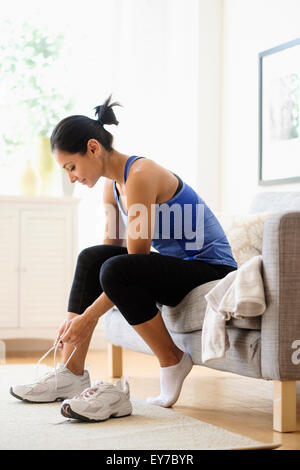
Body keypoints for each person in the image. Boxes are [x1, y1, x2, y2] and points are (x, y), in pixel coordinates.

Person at [10, 95, 237, 416]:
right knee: (92, 258)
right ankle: (70, 373)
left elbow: (133, 262)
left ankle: (173, 359)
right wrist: (76, 320)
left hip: (212, 268)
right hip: (177, 267)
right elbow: (107, 256)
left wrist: (88, 318)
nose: (71, 177)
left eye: (71, 167)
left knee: (118, 269)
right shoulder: (112, 186)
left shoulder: (141, 175)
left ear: (93, 148)